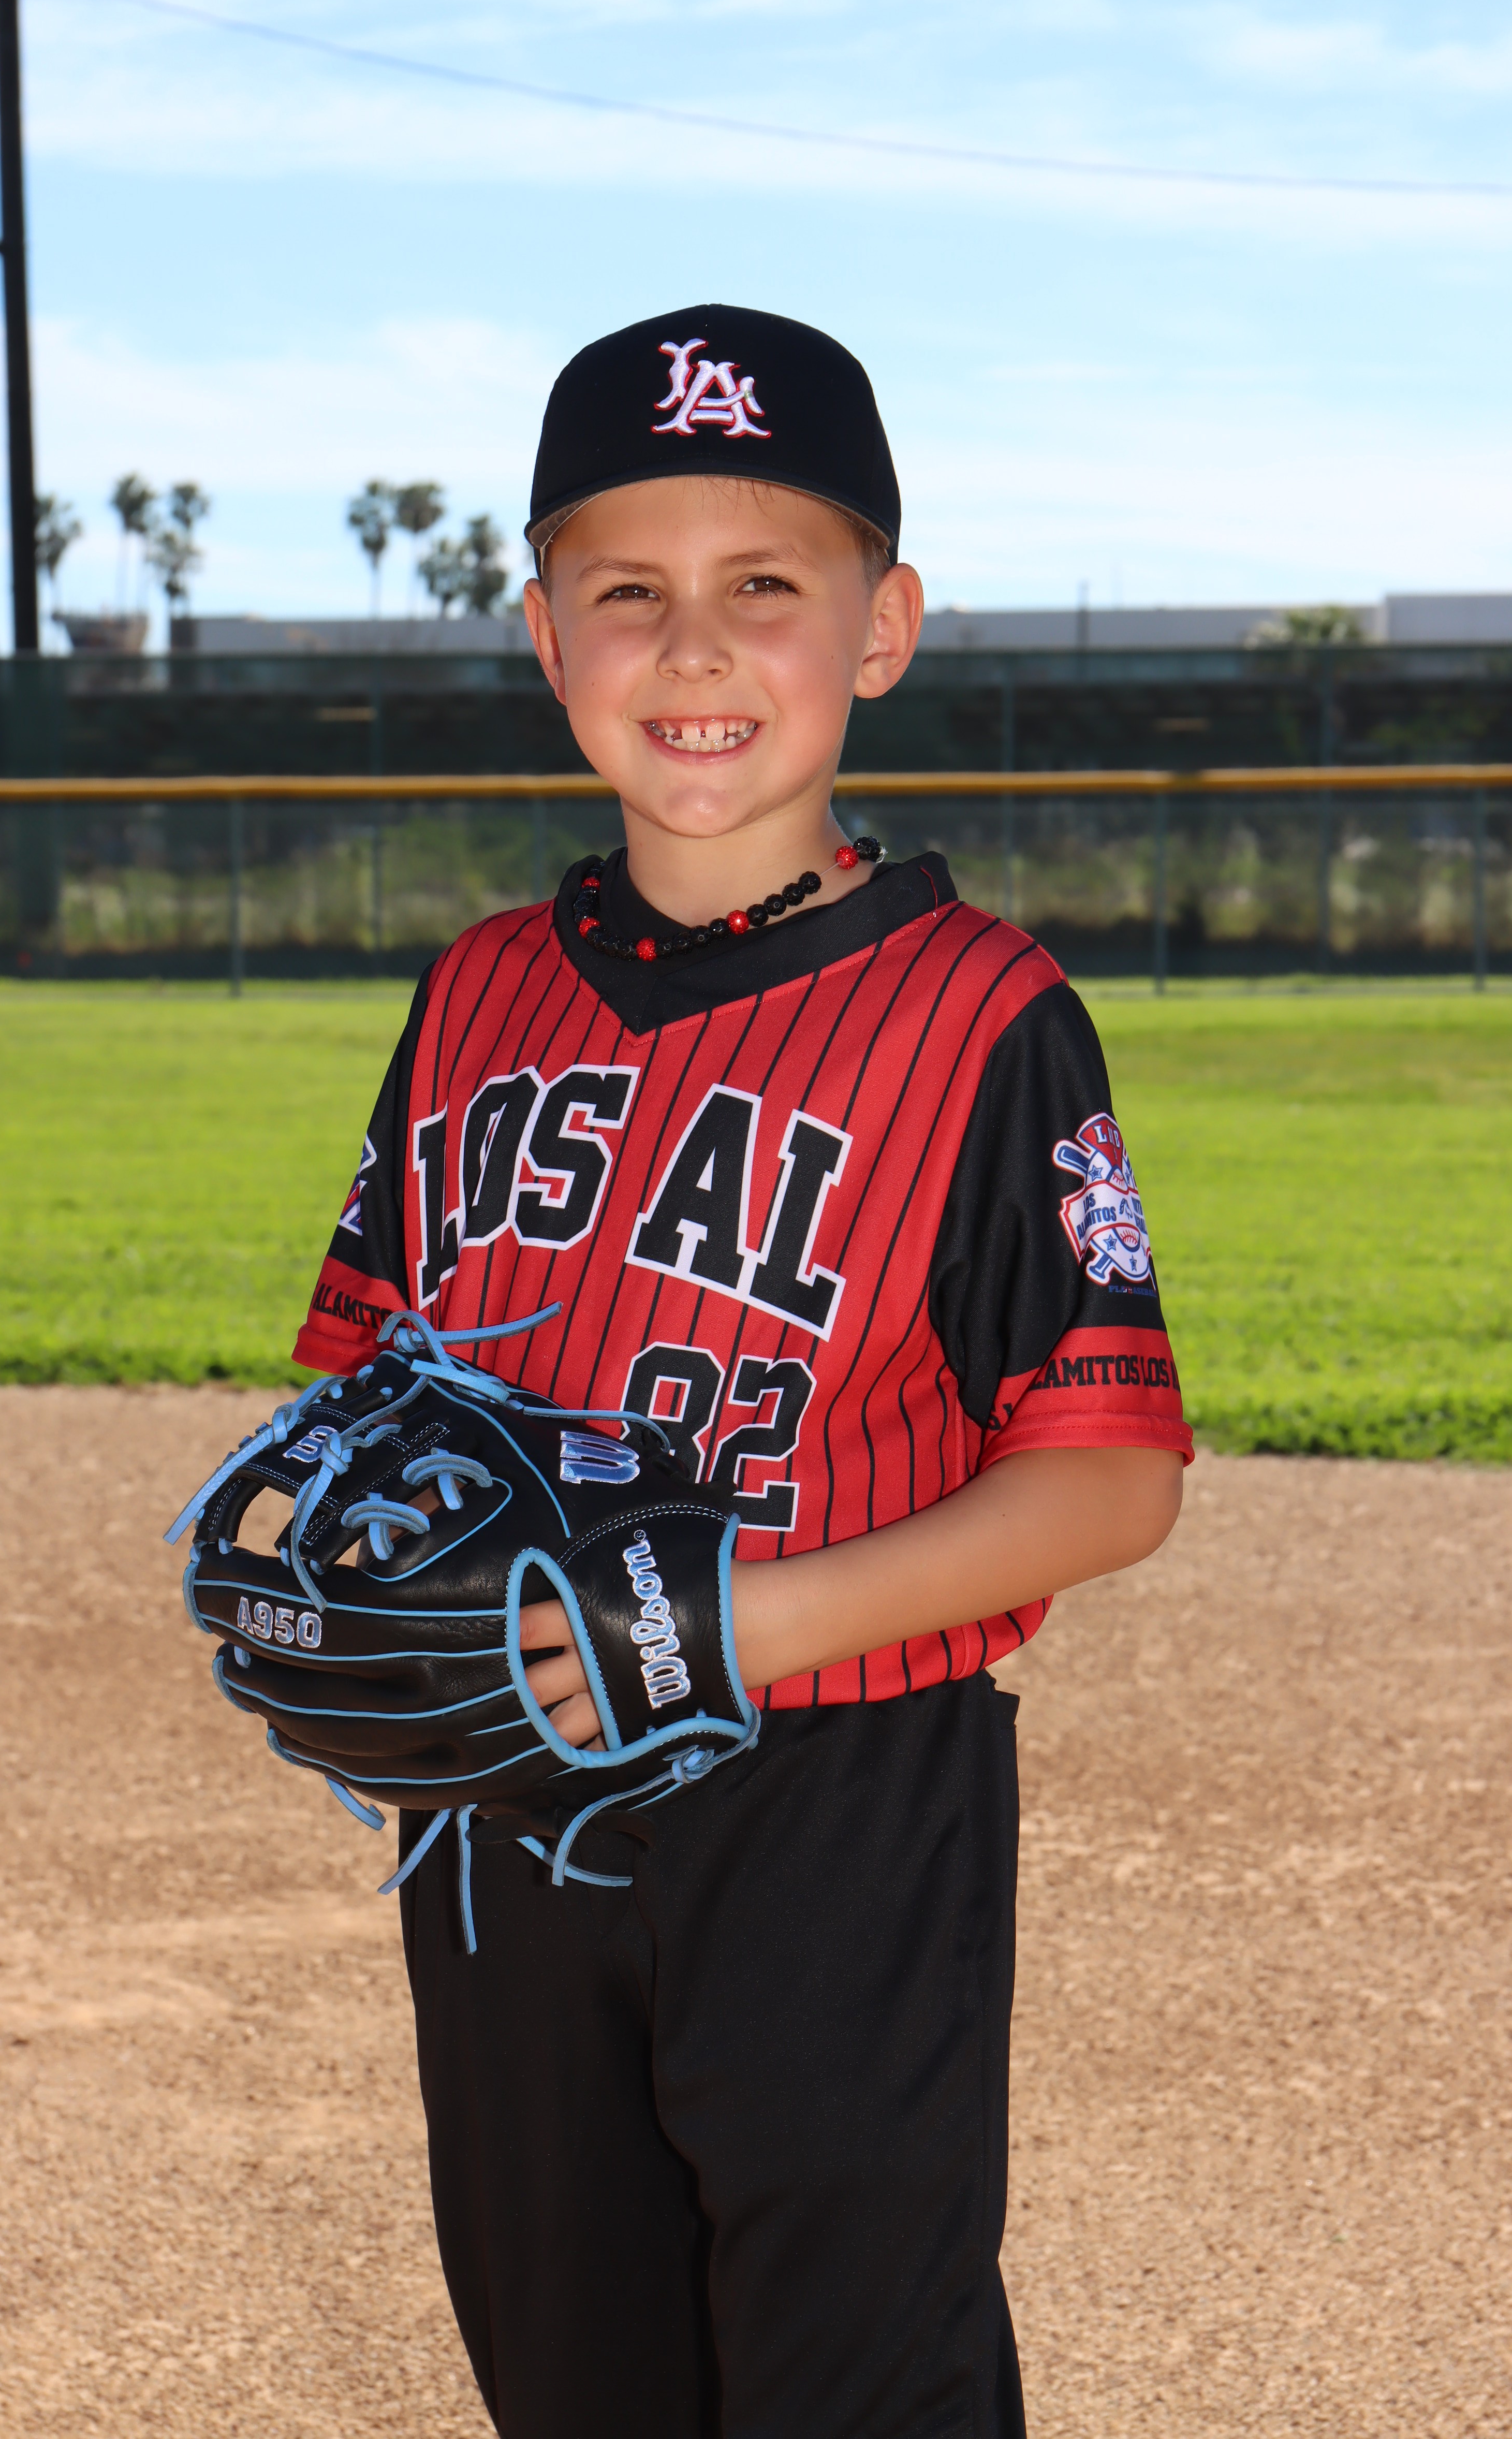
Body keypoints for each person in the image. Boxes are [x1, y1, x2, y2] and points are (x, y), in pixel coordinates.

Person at [291, 305, 1192, 2439]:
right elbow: (363, 1379)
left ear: (882, 628)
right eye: (627, 593)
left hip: (834, 1798)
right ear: (545, 637)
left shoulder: (980, 1011)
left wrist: (718, 1624)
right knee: (567, 2356)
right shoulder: (478, 992)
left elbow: (1108, 1473)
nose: (690, 649)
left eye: (762, 585)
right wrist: (352, 1567)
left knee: (854, 2372)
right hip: (504, 1796)